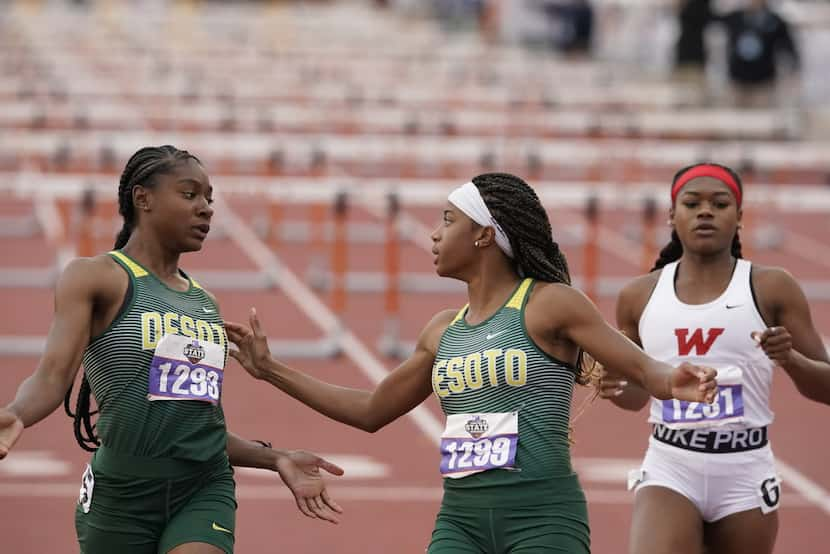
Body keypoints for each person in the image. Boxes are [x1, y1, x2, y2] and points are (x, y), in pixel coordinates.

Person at [225, 172, 718, 553]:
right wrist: (270, 369)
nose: (434, 234)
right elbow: (371, 410)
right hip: (460, 519)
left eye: (447, 220)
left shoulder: (549, 304)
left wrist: (672, 380)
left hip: (542, 516)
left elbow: (641, 366)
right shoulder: (443, 329)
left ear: (485, 234)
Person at [0, 145, 344, 554]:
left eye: (209, 199)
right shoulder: (97, 278)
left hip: (203, 488)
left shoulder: (205, 304)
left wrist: (277, 458)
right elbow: (52, 377)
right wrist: (15, 414)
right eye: (190, 194)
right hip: (121, 495)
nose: (206, 209)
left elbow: (199, 429)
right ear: (142, 198)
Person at [600, 162, 830, 554]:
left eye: (719, 203)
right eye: (692, 203)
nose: (705, 211)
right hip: (671, 461)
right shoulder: (638, 296)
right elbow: (637, 396)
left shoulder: (772, 286)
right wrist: (614, 385)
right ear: (673, 215)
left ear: (739, 216)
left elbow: (825, 387)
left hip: (744, 466)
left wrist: (790, 358)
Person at [718, 0, 800, 107]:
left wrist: (793, 72)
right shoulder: (734, 17)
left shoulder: (775, 20)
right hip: (738, 82)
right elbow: (711, 20)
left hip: (763, 84)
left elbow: (788, 48)